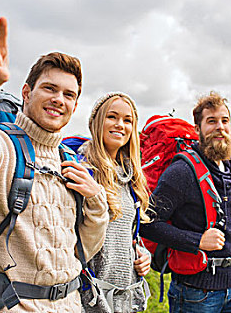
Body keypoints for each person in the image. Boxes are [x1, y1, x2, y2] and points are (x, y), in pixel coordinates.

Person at [0, 17, 109, 312]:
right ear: (26, 92)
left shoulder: (69, 161)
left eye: (69, 94)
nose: (59, 99)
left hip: (72, 304)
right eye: (49, 88)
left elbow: (82, 250)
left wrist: (97, 202)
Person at [140, 91, 231, 313]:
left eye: (225, 120)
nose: (220, 126)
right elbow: (147, 223)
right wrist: (197, 241)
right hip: (195, 293)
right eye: (211, 121)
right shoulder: (181, 171)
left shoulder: (229, 167)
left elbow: (220, 217)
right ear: (197, 129)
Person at [75, 92, 152, 312]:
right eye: (112, 117)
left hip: (126, 297)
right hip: (90, 298)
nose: (120, 125)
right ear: (97, 121)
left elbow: (127, 233)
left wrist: (142, 254)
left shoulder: (130, 176)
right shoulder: (82, 170)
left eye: (127, 120)